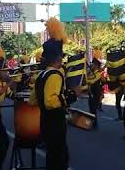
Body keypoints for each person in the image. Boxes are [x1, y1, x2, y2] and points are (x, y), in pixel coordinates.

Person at [30, 17, 78, 170]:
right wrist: (71, 95)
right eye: (62, 57)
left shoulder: (41, 75)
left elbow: (33, 100)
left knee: (53, 157)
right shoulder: (55, 75)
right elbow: (51, 102)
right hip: (54, 123)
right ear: (58, 57)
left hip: (45, 122)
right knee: (59, 159)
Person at [87, 58, 105, 128]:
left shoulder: (98, 73)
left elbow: (91, 81)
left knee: (93, 109)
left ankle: (94, 124)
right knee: (91, 109)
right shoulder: (91, 73)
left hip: (96, 93)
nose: (91, 65)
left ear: (96, 65)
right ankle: (93, 123)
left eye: (93, 64)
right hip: (91, 92)